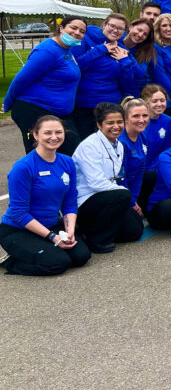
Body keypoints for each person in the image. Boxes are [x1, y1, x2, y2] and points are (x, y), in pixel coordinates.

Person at [0, 116, 91, 275]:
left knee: (81, 257)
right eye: (47, 133)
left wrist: (69, 231)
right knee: (58, 263)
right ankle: (11, 261)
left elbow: (69, 202)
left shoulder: (67, 162)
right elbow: (19, 213)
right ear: (36, 135)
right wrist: (53, 238)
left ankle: (42, 249)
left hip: (51, 225)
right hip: (18, 229)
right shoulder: (23, 167)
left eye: (58, 132)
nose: (54, 137)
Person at [72, 103, 144, 253]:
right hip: (85, 199)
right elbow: (96, 183)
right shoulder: (89, 146)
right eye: (110, 123)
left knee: (135, 230)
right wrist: (125, 193)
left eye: (119, 122)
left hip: (106, 196)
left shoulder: (119, 145)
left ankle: (90, 229)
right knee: (122, 195)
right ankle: (95, 239)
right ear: (99, 124)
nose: (116, 126)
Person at [70, 12, 137, 140]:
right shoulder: (86, 40)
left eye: (120, 29)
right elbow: (76, 66)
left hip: (110, 105)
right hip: (84, 105)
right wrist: (101, 50)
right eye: (112, 26)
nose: (115, 30)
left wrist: (125, 62)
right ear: (104, 25)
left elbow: (128, 82)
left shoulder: (122, 50)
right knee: (85, 144)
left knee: (108, 144)